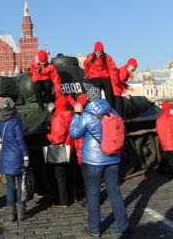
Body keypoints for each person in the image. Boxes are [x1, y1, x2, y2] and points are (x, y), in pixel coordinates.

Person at [70, 99, 129, 237]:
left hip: (93, 160)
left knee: (93, 194)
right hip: (113, 158)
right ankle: (124, 227)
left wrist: (77, 114)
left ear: (89, 99)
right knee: (115, 193)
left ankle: (94, 229)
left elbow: (74, 133)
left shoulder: (87, 115)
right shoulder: (113, 111)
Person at [0, 97, 29, 221]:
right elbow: (20, 140)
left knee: (10, 187)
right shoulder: (16, 121)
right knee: (21, 185)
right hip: (17, 157)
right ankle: (21, 213)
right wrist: (26, 155)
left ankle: (11, 215)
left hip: (5, 156)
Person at [47, 95, 73, 207]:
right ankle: (71, 197)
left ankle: (62, 201)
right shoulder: (69, 114)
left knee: (59, 176)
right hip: (68, 146)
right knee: (68, 174)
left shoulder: (58, 116)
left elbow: (57, 138)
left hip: (59, 148)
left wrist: (48, 135)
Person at [83, 41, 120, 109]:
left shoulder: (107, 57)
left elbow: (113, 68)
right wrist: (87, 74)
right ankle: (97, 108)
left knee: (109, 93)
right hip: (94, 76)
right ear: (94, 51)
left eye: (100, 53)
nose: (98, 55)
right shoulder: (90, 56)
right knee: (97, 89)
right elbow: (85, 65)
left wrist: (115, 80)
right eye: (97, 53)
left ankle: (110, 109)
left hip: (105, 76)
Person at [156, 102, 173, 179]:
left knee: (166, 155)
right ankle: (172, 173)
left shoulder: (159, 118)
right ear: (169, 109)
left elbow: (158, 130)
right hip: (171, 140)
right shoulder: (172, 118)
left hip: (164, 140)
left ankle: (160, 169)